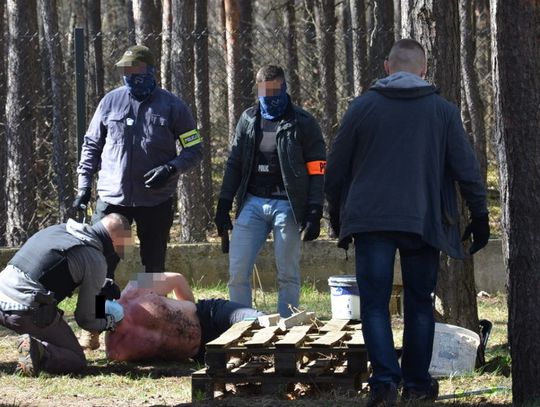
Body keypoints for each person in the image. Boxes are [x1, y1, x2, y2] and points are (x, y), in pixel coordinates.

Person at [325, 39, 490, 406]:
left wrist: (337, 214)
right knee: (419, 302)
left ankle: (384, 382)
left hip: (369, 220)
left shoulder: (363, 107)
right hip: (422, 220)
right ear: (424, 69)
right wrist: (480, 215)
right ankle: (417, 383)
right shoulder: (442, 111)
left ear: (387, 67)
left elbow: (334, 168)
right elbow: (467, 169)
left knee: (373, 305)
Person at [73, 44, 202, 275]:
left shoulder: (173, 106)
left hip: (155, 200)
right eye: (126, 72)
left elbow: (194, 149)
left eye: (136, 71)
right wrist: (83, 185)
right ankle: (101, 311)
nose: (131, 76)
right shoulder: (109, 102)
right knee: (101, 263)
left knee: (153, 267)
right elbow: (91, 145)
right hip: (113, 199)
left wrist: (170, 168)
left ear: (150, 71)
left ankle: (149, 310)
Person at [214, 65, 326, 318]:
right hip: (252, 202)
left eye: (277, 93)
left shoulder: (303, 122)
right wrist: (223, 204)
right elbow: (235, 163)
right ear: (258, 91)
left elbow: (317, 169)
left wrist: (314, 209)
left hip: (287, 204)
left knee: (287, 272)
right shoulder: (248, 119)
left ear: (285, 88)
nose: (272, 100)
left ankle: (287, 327)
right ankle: (242, 324)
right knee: (238, 271)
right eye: (267, 94)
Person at [0, 214, 132, 376]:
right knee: (76, 360)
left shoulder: (58, 229)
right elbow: (85, 319)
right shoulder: (95, 259)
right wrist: (110, 323)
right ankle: (38, 350)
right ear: (116, 240)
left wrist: (99, 285)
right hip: (24, 309)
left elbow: (48, 268)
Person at [105, 272, 264, 363]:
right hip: (200, 353)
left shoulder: (137, 284)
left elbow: (177, 279)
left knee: (262, 323)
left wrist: (189, 310)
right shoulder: (116, 349)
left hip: (210, 315)